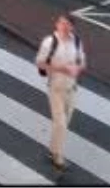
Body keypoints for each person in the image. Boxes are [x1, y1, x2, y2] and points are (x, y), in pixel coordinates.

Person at [35, 14, 86, 172]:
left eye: (66, 24)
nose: (62, 26)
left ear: (72, 27)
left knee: (64, 124)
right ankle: (58, 158)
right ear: (57, 24)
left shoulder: (77, 42)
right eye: (60, 23)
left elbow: (82, 61)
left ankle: (52, 150)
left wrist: (77, 68)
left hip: (71, 89)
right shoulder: (50, 42)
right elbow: (40, 63)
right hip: (55, 88)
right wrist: (61, 68)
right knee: (61, 124)